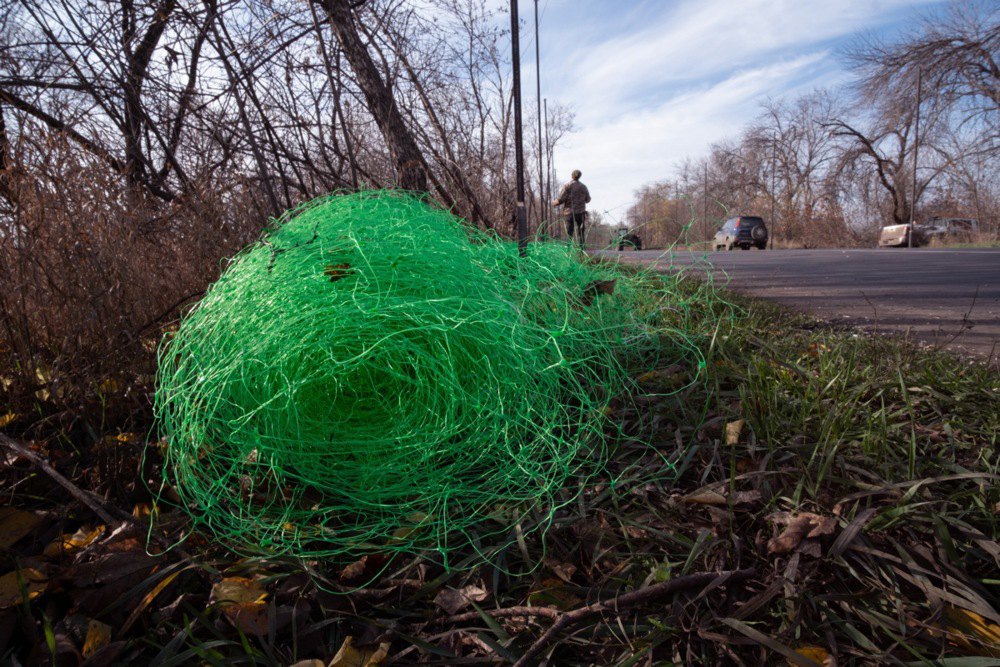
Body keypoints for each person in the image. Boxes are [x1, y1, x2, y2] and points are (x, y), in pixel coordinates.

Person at [553, 170, 591, 244]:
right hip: (581, 213)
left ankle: (568, 251)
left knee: (569, 233)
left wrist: (554, 203)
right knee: (581, 233)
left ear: (572, 176)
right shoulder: (584, 187)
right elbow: (588, 200)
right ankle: (581, 250)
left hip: (569, 213)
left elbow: (561, 199)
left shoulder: (567, 186)